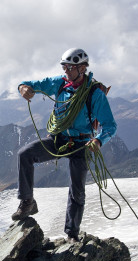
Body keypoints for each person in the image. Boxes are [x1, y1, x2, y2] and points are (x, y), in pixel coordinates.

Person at [12, 47, 117, 242]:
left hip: (81, 144)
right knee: (25, 154)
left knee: (77, 190)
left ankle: (72, 234)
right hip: (58, 140)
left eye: (70, 67)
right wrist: (23, 88)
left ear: (83, 68)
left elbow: (110, 125)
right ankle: (27, 202)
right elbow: (31, 84)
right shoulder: (59, 84)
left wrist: (99, 140)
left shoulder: (94, 94)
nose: (66, 70)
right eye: (64, 66)